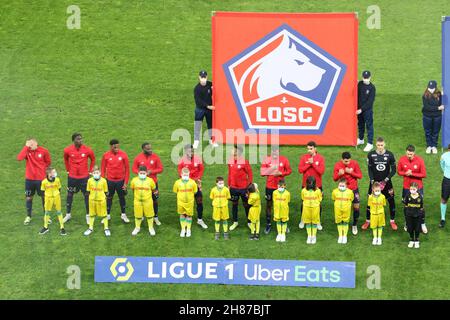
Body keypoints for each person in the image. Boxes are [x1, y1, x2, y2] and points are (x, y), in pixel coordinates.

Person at [363, 137, 397, 230]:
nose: (380, 147)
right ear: (376, 145)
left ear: (384, 144)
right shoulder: (371, 154)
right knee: (370, 201)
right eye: (378, 145)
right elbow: (370, 168)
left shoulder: (390, 155)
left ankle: (392, 221)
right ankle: (367, 221)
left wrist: (386, 180)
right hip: (374, 183)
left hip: (387, 183)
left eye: (381, 145)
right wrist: (372, 180)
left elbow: (394, 170)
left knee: (391, 201)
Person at [17, 137, 52, 225]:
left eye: (32, 144)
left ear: (36, 143)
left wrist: (42, 171)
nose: (30, 146)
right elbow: (19, 158)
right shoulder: (27, 151)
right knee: (29, 197)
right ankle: (28, 216)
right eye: (29, 144)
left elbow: (48, 162)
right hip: (29, 179)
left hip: (41, 179)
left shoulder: (44, 151)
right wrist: (26, 147)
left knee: (44, 197)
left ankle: (46, 216)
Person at [63, 133, 96, 224]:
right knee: (70, 194)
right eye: (78, 139)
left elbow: (93, 159)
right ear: (73, 140)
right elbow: (65, 159)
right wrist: (68, 170)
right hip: (72, 177)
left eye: (81, 139)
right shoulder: (67, 150)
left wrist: (90, 171)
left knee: (86, 195)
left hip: (84, 177)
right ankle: (68, 214)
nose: (80, 141)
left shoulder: (87, 149)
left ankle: (88, 215)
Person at [260, 146, 292, 234]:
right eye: (273, 151)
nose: (274, 153)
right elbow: (262, 173)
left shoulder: (284, 160)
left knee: (283, 205)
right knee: (269, 205)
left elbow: (289, 171)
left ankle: (284, 223)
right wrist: (271, 169)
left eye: (276, 151)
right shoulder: (267, 159)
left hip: (281, 187)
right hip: (270, 187)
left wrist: (281, 173)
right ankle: (268, 224)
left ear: (279, 151)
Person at [397, 144, 427, 233]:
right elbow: (399, 171)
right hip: (406, 187)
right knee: (407, 205)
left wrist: (412, 173)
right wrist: (405, 173)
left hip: (418, 187)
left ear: (414, 153)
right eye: (408, 154)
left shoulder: (420, 160)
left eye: (411, 154)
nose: (409, 156)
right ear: (406, 152)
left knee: (420, 206)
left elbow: (424, 174)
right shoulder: (402, 159)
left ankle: (422, 223)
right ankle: (407, 222)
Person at [132, 142, 163, 225]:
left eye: (150, 148)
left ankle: (155, 217)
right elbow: (134, 169)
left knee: (154, 199)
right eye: (148, 149)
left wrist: (151, 171)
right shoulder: (138, 158)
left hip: (153, 183)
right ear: (143, 149)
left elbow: (161, 169)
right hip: (141, 184)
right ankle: (141, 215)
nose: (150, 150)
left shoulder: (155, 157)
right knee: (141, 199)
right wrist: (141, 173)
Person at [178, 144, 207, 229]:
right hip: (187, 186)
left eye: (192, 151)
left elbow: (201, 169)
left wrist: (199, 178)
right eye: (189, 151)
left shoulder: (197, 159)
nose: (191, 152)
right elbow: (180, 171)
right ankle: (186, 220)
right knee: (187, 203)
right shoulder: (182, 161)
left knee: (199, 202)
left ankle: (200, 219)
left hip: (196, 184)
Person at [332, 151, 362, 235]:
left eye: (349, 161)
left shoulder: (355, 163)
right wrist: (339, 174)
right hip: (342, 191)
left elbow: (360, 176)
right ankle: (342, 224)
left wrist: (350, 172)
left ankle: (354, 225)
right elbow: (334, 178)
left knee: (356, 207)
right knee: (343, 207)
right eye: (345, 161)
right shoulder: (337, 165)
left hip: (353, 189)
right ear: (341, 160)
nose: (347, 163)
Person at [101, 139, 130, 224]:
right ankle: (107, 215)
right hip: (110, 181)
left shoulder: (123, 155)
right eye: (114, 147)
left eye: (117, 146)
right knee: (109, 197)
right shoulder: (106, 155)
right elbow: (102, 168)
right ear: (111, 146)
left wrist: (125, 183)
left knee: (122, 197)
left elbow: (127, 169)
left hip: (120, 181)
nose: (116, 148)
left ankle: (123, 214)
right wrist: (103, 181)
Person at [298, 141, 325, 230]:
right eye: (308, 149)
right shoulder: (304, 158)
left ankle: (318, 221)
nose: (309, 150)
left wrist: (313, 163)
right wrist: (309, 164)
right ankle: (303, 220)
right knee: (303, 203)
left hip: (317, 186)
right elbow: (300, 170)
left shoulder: (320, 158)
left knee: (318, 204)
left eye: (311, 149)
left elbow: (321, 171)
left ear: (315, 148)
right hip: (305, 185)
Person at [227, 145, 252, 231]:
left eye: (234, 150)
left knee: (246, 205)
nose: (232, 151)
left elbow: (250, 174)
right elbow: (230, 173)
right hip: (233, 188)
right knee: (234, 205)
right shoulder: (230, 161)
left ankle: (249, 222)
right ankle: (235, 222)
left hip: (243, 188)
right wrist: (229, 184)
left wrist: (249, 185)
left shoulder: (245, 162)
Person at [193, 70, 217, 149]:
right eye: (202, 77)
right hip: (200, 109)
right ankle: (196, 141)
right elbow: (198, 101)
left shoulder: (210, 84)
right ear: (199, 77)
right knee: (198, 125)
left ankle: (211, 140)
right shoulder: (197, 89)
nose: (203, 78)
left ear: (207, 77)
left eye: (204, 77)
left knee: (210, 124)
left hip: (209, 109)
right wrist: (208, 106)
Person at [130, 165, 157, 236]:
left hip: (148, 201)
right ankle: (137, 228)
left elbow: (153, 189)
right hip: (137, 201)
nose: (142, 174)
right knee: (138, 215)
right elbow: (133, 189)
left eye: (143, 173)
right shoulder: (134, 180)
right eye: (141, 173)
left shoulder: (150, 181)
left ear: (146, 173)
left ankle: (151, 228)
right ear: (138, 172)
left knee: (150, 215)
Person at [84, 166, 110, 237]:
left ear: (100, 173)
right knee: (91, 214)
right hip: (92, 200)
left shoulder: (104, 181)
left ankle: (106, 228)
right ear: (92, 173)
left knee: (104, 215)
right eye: (94, 173)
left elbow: (106, 191)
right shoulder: (89, 180)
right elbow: (88, 190)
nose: (96, 174)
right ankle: (90, 228)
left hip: (101, 200)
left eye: (97, 172)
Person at [39, 167, 66, 235]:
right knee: (47, 212)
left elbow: (59, 188)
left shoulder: (57, 180)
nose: (55, 173)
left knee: (59, 212)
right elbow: (42, 191)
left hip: (57, 197)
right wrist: (48, 197)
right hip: (48, 199)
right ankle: (45, 227)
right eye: (54, 172)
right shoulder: (44, 182)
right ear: (49, 174)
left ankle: (62, 228)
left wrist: (56, 194)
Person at [173, 167, 198, 238]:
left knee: (189, 215)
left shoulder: (192, 182)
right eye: (184, 175)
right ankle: (183, 229)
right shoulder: (177, 182)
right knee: (182, 215)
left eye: (187, 175)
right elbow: (175, 191)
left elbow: (195, 191)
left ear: (189, 174)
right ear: (181, 174)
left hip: (190, 202)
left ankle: (188, 229)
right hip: (180, 202)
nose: (185, 176)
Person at [422, 80, 444, 154]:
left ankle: (434, 146)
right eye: (429, 88)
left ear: (435, 87)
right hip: (427, 116)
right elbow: (427, 107)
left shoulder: (439, 94)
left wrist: (443, 96)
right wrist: (437, 108)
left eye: (432, 88)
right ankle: (429, 146)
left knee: (435, 132)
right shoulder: (424, 95)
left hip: (437, 117)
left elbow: (442, 104)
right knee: (428, 132)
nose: (431, 89)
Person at [356, 70, 376, 152]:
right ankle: (361, 139)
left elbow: (370, 102)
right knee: (360, 124)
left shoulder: (372, 88)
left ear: (370, 77)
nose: (365, 79)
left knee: (369, 126)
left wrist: (361, 109)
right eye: (364, 77)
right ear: (362, 77)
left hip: (367, 110)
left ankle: (370, 143)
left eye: (367, 78)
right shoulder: (360, 84)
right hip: (359, 110)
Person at [331, 178, 354, 244]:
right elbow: (333, 198)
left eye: (343, 186)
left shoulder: (350, 192)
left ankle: (345, 236)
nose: (341, 187)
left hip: (346, 210)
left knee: (345, 222)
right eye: (340, 185)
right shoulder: (334, 191)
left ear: (346, 186)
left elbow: (351, 199)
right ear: (338, 185)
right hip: (337, 209)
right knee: (339, 222)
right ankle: (340, 235)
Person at [301, 176, 322, 245]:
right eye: (309, 183)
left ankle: (314, 236)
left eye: (312, 183)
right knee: (308, 222)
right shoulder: (303, 190)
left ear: (315, 183)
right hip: (306, 208)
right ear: (306, 183)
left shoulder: (318, 191)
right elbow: (303, 198)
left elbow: (320, 199)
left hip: (315, 208)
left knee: (314, 222)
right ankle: (309, 235)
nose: (310, 184)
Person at [404, 182, 424, 249]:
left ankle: (417, 240)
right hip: (409, 215)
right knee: (410, 228)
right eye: (411, 189)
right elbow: (406, 205)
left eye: (414, 189)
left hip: (418, 216)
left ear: (417, 189)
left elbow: (421, 207)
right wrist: (407, 214)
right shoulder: (408, 196)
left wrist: (421, 215)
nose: (412, 191)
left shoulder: (420, 197)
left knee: (417, 228)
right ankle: (412, 239)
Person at [440, 144, 450, 228]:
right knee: (444, 199)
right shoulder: (444, 156)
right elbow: (442, 165)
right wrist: (446, 173)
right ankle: (443, 218)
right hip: (447, 180)